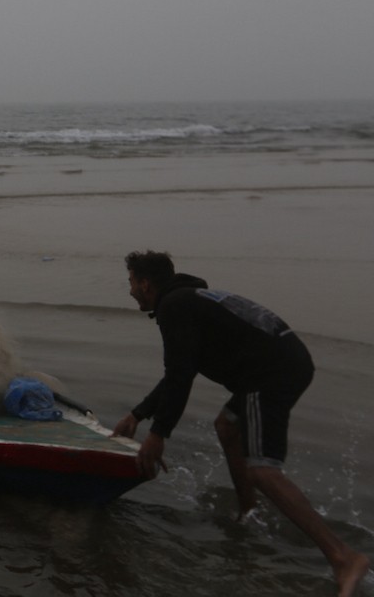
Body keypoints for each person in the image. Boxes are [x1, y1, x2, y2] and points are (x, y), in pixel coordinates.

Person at [112, 250, 368, 597]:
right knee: (227, 426)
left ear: (145, 284)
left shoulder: (174, 306)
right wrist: (137, 415)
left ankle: (343, 557)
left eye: (131, 282)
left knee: (263, 469)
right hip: (280, 364)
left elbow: (180, 376)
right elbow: (180, 371)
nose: (130, 291)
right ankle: (248, 511)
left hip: (269, 373)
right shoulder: (189, 300)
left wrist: (158, 435)